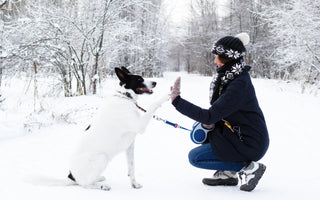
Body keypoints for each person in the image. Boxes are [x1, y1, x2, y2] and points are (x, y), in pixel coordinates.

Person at [170, 33, 269, 192]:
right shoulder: (230, 78)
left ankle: (249, 167)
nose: (215, 60)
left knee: (195, 158)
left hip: (250, 143)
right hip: (237, 135)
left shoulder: (239, 85)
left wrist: (177, 102)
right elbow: (216, 114)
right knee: (207, 135)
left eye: (218, 57)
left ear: (228, 59)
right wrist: (209, 125)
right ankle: (228, 174)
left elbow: (210, 115)